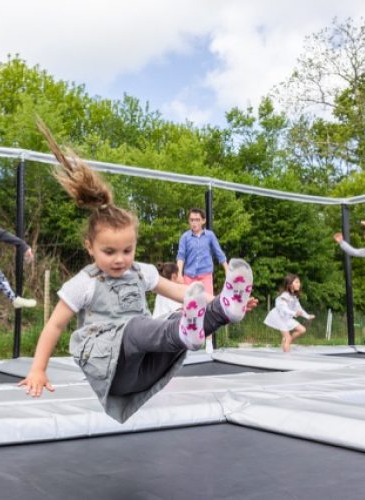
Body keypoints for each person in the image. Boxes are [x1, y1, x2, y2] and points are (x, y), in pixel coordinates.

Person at [19, 119, 257, 423]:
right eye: (109, 252)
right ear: (89, 247)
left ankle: (225, 312)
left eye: (127, 250)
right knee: (136, 327)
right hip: (111, 370)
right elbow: (53, 326)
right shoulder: (85, 283)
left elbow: (185, 292)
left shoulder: (140, 271)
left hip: (143, 370)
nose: (120, 259)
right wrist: (38, 369)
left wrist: (217, 300)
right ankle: (184, 330)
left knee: (174, 316)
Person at [176, 208, 228, 351]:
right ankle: (186, 341)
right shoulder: (185, 237)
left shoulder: (209, 236)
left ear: (203, 221)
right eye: (192, 220)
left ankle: (209, 341)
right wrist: (179, 274)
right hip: (189, 277)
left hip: (205, 276)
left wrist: (227, 270)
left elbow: (219, 253)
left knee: (207, 307)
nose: (194, 223)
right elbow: (181, 256)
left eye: (197, 220)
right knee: (187, 308)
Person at [153, 261, 215, 354]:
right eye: (180, 274)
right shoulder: (173, 292)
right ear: (174, 276)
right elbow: (179, 314)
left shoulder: (161, 293)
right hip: (165, 333)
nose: (182, 277)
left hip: (157, 331)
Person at [264, 274, 314, 352]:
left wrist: (307, 316)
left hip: (286, 317)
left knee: (302, 330)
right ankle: (287, 356)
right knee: (287, 338)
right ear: (290, 284)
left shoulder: (294, 296)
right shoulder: (285, 295)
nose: (299, 284)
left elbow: (299, 308)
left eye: (299, 282)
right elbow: (283, 309)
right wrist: (294, 313)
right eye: (296, 282)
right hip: (279, 317)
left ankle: (287, 340)